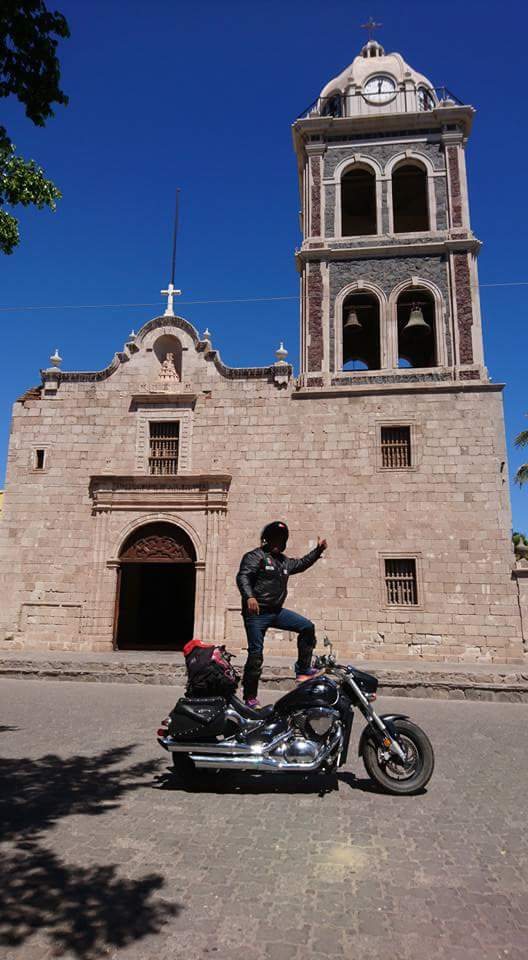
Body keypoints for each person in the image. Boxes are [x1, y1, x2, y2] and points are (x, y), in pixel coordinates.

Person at [236, 521, 328, 707]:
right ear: (266, 539)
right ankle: (249, 698)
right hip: (256, 613)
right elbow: (243, 576)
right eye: (274, 538)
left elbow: (301, 563)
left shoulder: (284, 562)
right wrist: (249, 597)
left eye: (281, 538)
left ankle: (303, 670)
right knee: (256, 655)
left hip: (276, 612)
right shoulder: (255, 556)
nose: (277, 541)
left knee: (307, 627)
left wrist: (317, 551)